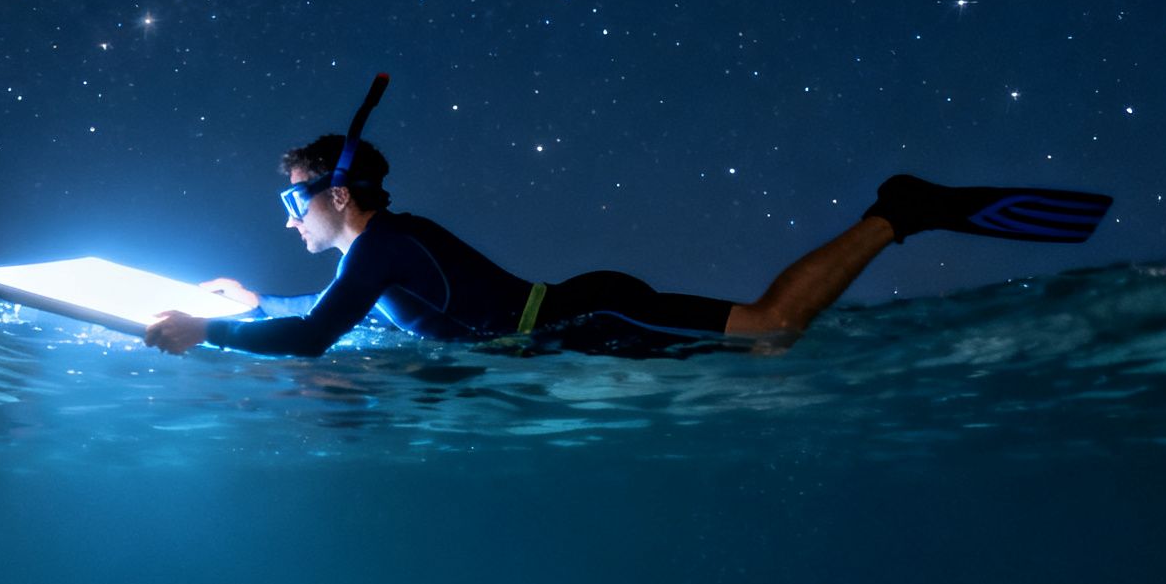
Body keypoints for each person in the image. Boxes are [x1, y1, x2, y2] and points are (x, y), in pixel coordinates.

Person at [144, 137, 1111, 360]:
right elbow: (330, 322)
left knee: (774, 332)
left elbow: (320, 338)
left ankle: (894, 215)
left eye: (292, 202)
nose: (287, 220)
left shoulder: (380, 245)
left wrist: (211, 333)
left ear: (338, 195)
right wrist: (250, 303)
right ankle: (894, 216)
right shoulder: (378, 251)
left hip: (590, 315)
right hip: (580, 318)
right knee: (764, 360)